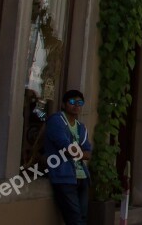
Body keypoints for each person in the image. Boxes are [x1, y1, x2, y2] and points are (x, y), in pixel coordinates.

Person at [45, 90, 92, 225]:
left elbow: (88, 153)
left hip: (82, 177)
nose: (76, 105)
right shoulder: (56, 120)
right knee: (75, 219)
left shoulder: (81, 127)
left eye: (79, 102)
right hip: (64, 177)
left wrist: (78, 152)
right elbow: (66, 147)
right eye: (72, 102)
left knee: (82, 218)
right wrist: (79, 152)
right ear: (64, 104)